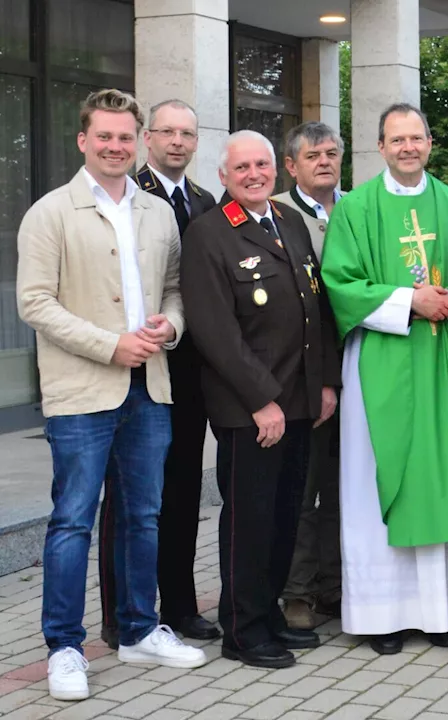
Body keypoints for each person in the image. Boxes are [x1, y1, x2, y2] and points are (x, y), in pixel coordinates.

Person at [16, 89, 208, 702]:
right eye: (105, 136)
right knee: (73, 520)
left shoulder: (156, 212)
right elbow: (34, 302)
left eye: (126, 137)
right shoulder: (51, 212)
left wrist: (170, 327)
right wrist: (109, 345)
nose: (116, 146)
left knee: (143, 515)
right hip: (82, 390)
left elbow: (176, 289)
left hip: (149, 385)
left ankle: (138, 628)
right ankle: (65, 648)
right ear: (83, 140)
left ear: (138, 141)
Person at [321, 104, 448, 656]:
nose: (408, 147)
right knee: (374, 484)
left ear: (430, 142)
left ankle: (442, 613)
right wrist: (407, 301)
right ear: (381, 146)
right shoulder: (356, 209)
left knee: (438, 476)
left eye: (416, 137)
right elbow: (339, 281)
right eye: (397, 139)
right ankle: (380, 616)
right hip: (381, 360)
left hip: (441, 362)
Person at [181, 130, 341, 669]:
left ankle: (267, 614)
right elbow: (214, 330)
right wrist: (261, 401)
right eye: (241, 167)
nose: (254, 174)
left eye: (262, 165)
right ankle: (243, 632)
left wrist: (323, 384)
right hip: (251, 409)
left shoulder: (289, 220)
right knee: (248, 520)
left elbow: (313, 311)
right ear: (223, 177)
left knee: (284, 516)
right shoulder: (209, 234)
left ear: (277, 169)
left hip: (299, 401)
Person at [96, 98, 219, 650]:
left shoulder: (203, 200)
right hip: (135, 368)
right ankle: (120, 613)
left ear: (196, 142)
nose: (176, 141)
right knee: (129, 499)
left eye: (186, 134)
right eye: (166, 131)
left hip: (188, 374)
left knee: (184, 492)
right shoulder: (128, 193)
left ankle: (181, 606)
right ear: (148, 138)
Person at [272, 121, 346, 631]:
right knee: (304, 486)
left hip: (359, 369)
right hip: (304, 376)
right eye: (313, 155)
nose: (324, 161)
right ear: (291, 165)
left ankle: (335, 584)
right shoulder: (275, 212)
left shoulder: (359, 207)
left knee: (345, 487)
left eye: (331, 153)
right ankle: (296, 592)